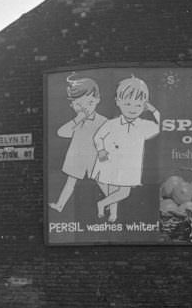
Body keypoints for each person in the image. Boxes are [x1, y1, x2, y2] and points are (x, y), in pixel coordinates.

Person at [91, 76, 160, 222]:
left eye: (138, 105)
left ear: (144, 105)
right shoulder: (112, 124)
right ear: (118, 102)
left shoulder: (143, 125)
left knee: (123, 192)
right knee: (112, 190)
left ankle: (102, 204)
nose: (132, 109)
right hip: (109, 162)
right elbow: (98, 137)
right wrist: (101, 150)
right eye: (128, 104)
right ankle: (113, 214)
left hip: (129, 167)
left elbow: (161, 125)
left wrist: (153, 109)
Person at [49, 75, 107, 212]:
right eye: (78, 105)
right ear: (72, 105)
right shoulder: (77, 122)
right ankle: (60, 205)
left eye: (89, 103)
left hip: (94, 157)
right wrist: (78, 119)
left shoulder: (103, 120)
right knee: (70, 181)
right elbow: (61, 133)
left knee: (103, 182)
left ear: (97, 100)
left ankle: (112, 202)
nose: (84, 108)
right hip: (77, 157)